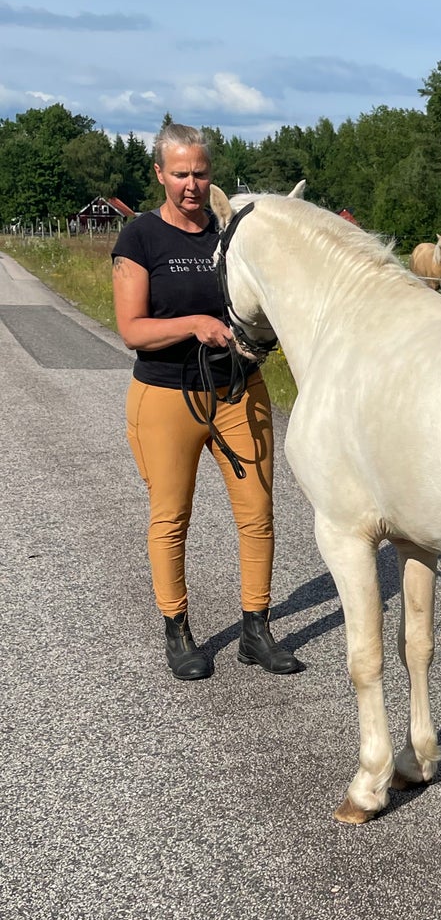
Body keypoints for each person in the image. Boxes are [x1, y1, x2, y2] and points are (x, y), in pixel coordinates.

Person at [111, 122, 302, 680]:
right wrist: (194, 323)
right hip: (167, 396)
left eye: (200, 173)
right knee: (171, 518)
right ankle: (178, 629)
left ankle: (256, 630)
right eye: (179, 174)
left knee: (258, 514)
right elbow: (132, 329)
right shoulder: (140, 238)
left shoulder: (230, 232)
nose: (191, 185)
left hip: (239, 389)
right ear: (160, 174)